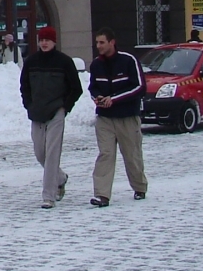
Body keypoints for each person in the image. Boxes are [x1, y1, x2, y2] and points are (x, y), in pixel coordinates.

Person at [19, 26, 83, 209]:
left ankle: (49, 195)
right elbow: (24, 87)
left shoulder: (64, 62)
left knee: (52, 154)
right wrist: (29, 105)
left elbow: (76, 89)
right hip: (37, 113)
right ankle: (60, 178)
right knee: (41, 154)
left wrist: (64, 107)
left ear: (54, 41)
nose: (44, 43)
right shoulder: (31, 62)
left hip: (56, 112)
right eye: (41, 40)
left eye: (47, 40)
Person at [87, 27, 148, 207]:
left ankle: (139, 186)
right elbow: (93, 87)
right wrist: (97, 98)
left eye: (102, 42)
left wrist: (114, 99)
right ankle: (102, 194)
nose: (98, 46)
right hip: (105, 119)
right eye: (97, 42)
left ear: (112, 42)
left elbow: (139, 87)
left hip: (127, 117)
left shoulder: (128, 60)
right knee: (105, 154)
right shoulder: (96, 64)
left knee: (132, 155)